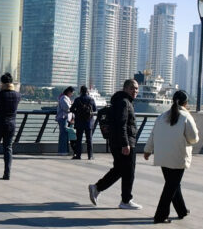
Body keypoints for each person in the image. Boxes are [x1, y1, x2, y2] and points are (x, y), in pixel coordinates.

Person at [143, 89, 199, 223]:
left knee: (173, 184)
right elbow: (194, 138)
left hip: (162, 156)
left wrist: (147, 150)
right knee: (171, 186)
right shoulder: (186, 117)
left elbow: (153, 135)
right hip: (178, 156)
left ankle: (182, 210)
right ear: (185, 103)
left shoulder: (162, 116)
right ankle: (160, 215)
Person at [88, 79, 142, 210]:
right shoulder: (124, 102)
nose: (135, 91)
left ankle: (97, 188)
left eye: (136, 89)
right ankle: (126, 200)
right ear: (125, 89)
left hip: (116, 141)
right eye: (132, 88)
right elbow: (121, 124)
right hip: (124, 142)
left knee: (119, 169)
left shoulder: (121, 101)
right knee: (128, 172)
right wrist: (126, 144)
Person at [69, 85, 97, 160]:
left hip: (79, 122)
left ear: (80, 91)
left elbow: (71, 109)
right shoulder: (91, 99)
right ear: (87, 91)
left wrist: (77, 112)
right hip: (89, 122)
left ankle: (78, 155)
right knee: (89, 140)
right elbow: (94, 109)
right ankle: (90, 156)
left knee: (79, 140)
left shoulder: (77, 99)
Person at [56, 87, 75, 155]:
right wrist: (72, 106)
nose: (72, 94)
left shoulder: (64, 98)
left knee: (64, 135)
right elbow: (67, 108)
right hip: (63, 118)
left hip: (65, 118)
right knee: (63, 135)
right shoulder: (64, 98)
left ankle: (64, 151)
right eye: (72, 93)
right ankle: (62, 151)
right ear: (68, 92)